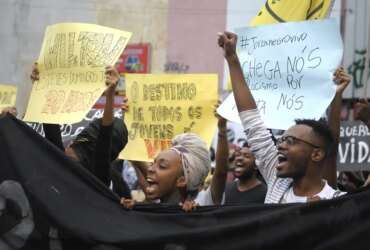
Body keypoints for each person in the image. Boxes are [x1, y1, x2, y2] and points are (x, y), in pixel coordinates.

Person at [218, 31, 349, 203]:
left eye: (291, 141)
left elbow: (331, 148)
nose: (280, 146)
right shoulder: (277, 182)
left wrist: (320, 217)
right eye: (282, 140)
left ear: (316, 154)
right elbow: (251, 120)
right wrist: (232, 59)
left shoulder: (336, 203)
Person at [30, 63, 129, 189]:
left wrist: (110, 94)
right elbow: (50, 123)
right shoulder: (58, 157)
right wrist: (41, 86)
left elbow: (105, 138)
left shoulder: (97, 176)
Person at [121, 133, 212, 211]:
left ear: (181, 181)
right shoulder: (144, 211)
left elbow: (221, 173)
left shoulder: (192, 221)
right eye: (153, 163)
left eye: (162, 166)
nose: (150, 169)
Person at [208, 110, 266, 205]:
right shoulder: (226, 190)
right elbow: (220, 171)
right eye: (238, 155)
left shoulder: (266, 194)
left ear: (256, 165)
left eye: (246, 156)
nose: (239, 158)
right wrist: (222, 127)